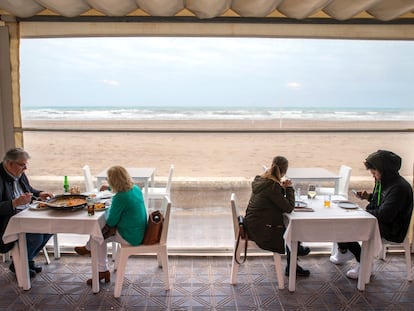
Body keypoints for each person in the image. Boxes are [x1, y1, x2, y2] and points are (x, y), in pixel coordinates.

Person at [330, 150, 413, 279]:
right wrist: (368, 197)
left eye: (374, 173)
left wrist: (360, 212)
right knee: (341, 219)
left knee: (346, 224)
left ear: (384, 171)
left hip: (392, 228)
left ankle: (364, 263)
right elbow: (381, 202)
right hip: (379, 220)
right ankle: (344, 251)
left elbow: (385, 214)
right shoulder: (385, 182)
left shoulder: (399, 188)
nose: (373, 176)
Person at [74, 165, 148, 285]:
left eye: (109, 179)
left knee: (97, 237)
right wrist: (109, 188)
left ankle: (98, 265)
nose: (107, 181)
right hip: (139, 231)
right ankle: (93, 257)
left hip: (130, 236)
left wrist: (108, 208)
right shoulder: (134, 188)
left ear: (114, 181)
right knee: (98, 235)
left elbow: (111, 221)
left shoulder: (120, 197)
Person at [244, 156, 311, 277]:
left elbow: (276, 201)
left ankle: (295, 258)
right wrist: (289, 188)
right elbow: (289, 208)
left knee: (290, 230)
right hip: (261, 231)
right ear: (284, 171)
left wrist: (282, 188)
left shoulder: (262, 180)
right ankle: (296, 254)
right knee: (292, 231)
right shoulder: (272, 187)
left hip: (252, 224)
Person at [0, 147, 54, 277]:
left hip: (24, 215)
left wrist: (40, 193)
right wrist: (15, 203)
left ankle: (26, 260)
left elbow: (28, 189)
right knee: (36, 236)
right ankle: (19, 265)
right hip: (6, 221)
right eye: (22, 165)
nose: (25, 168)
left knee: (50, 228)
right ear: (9, 163)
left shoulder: (18, 173)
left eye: (26, 164)